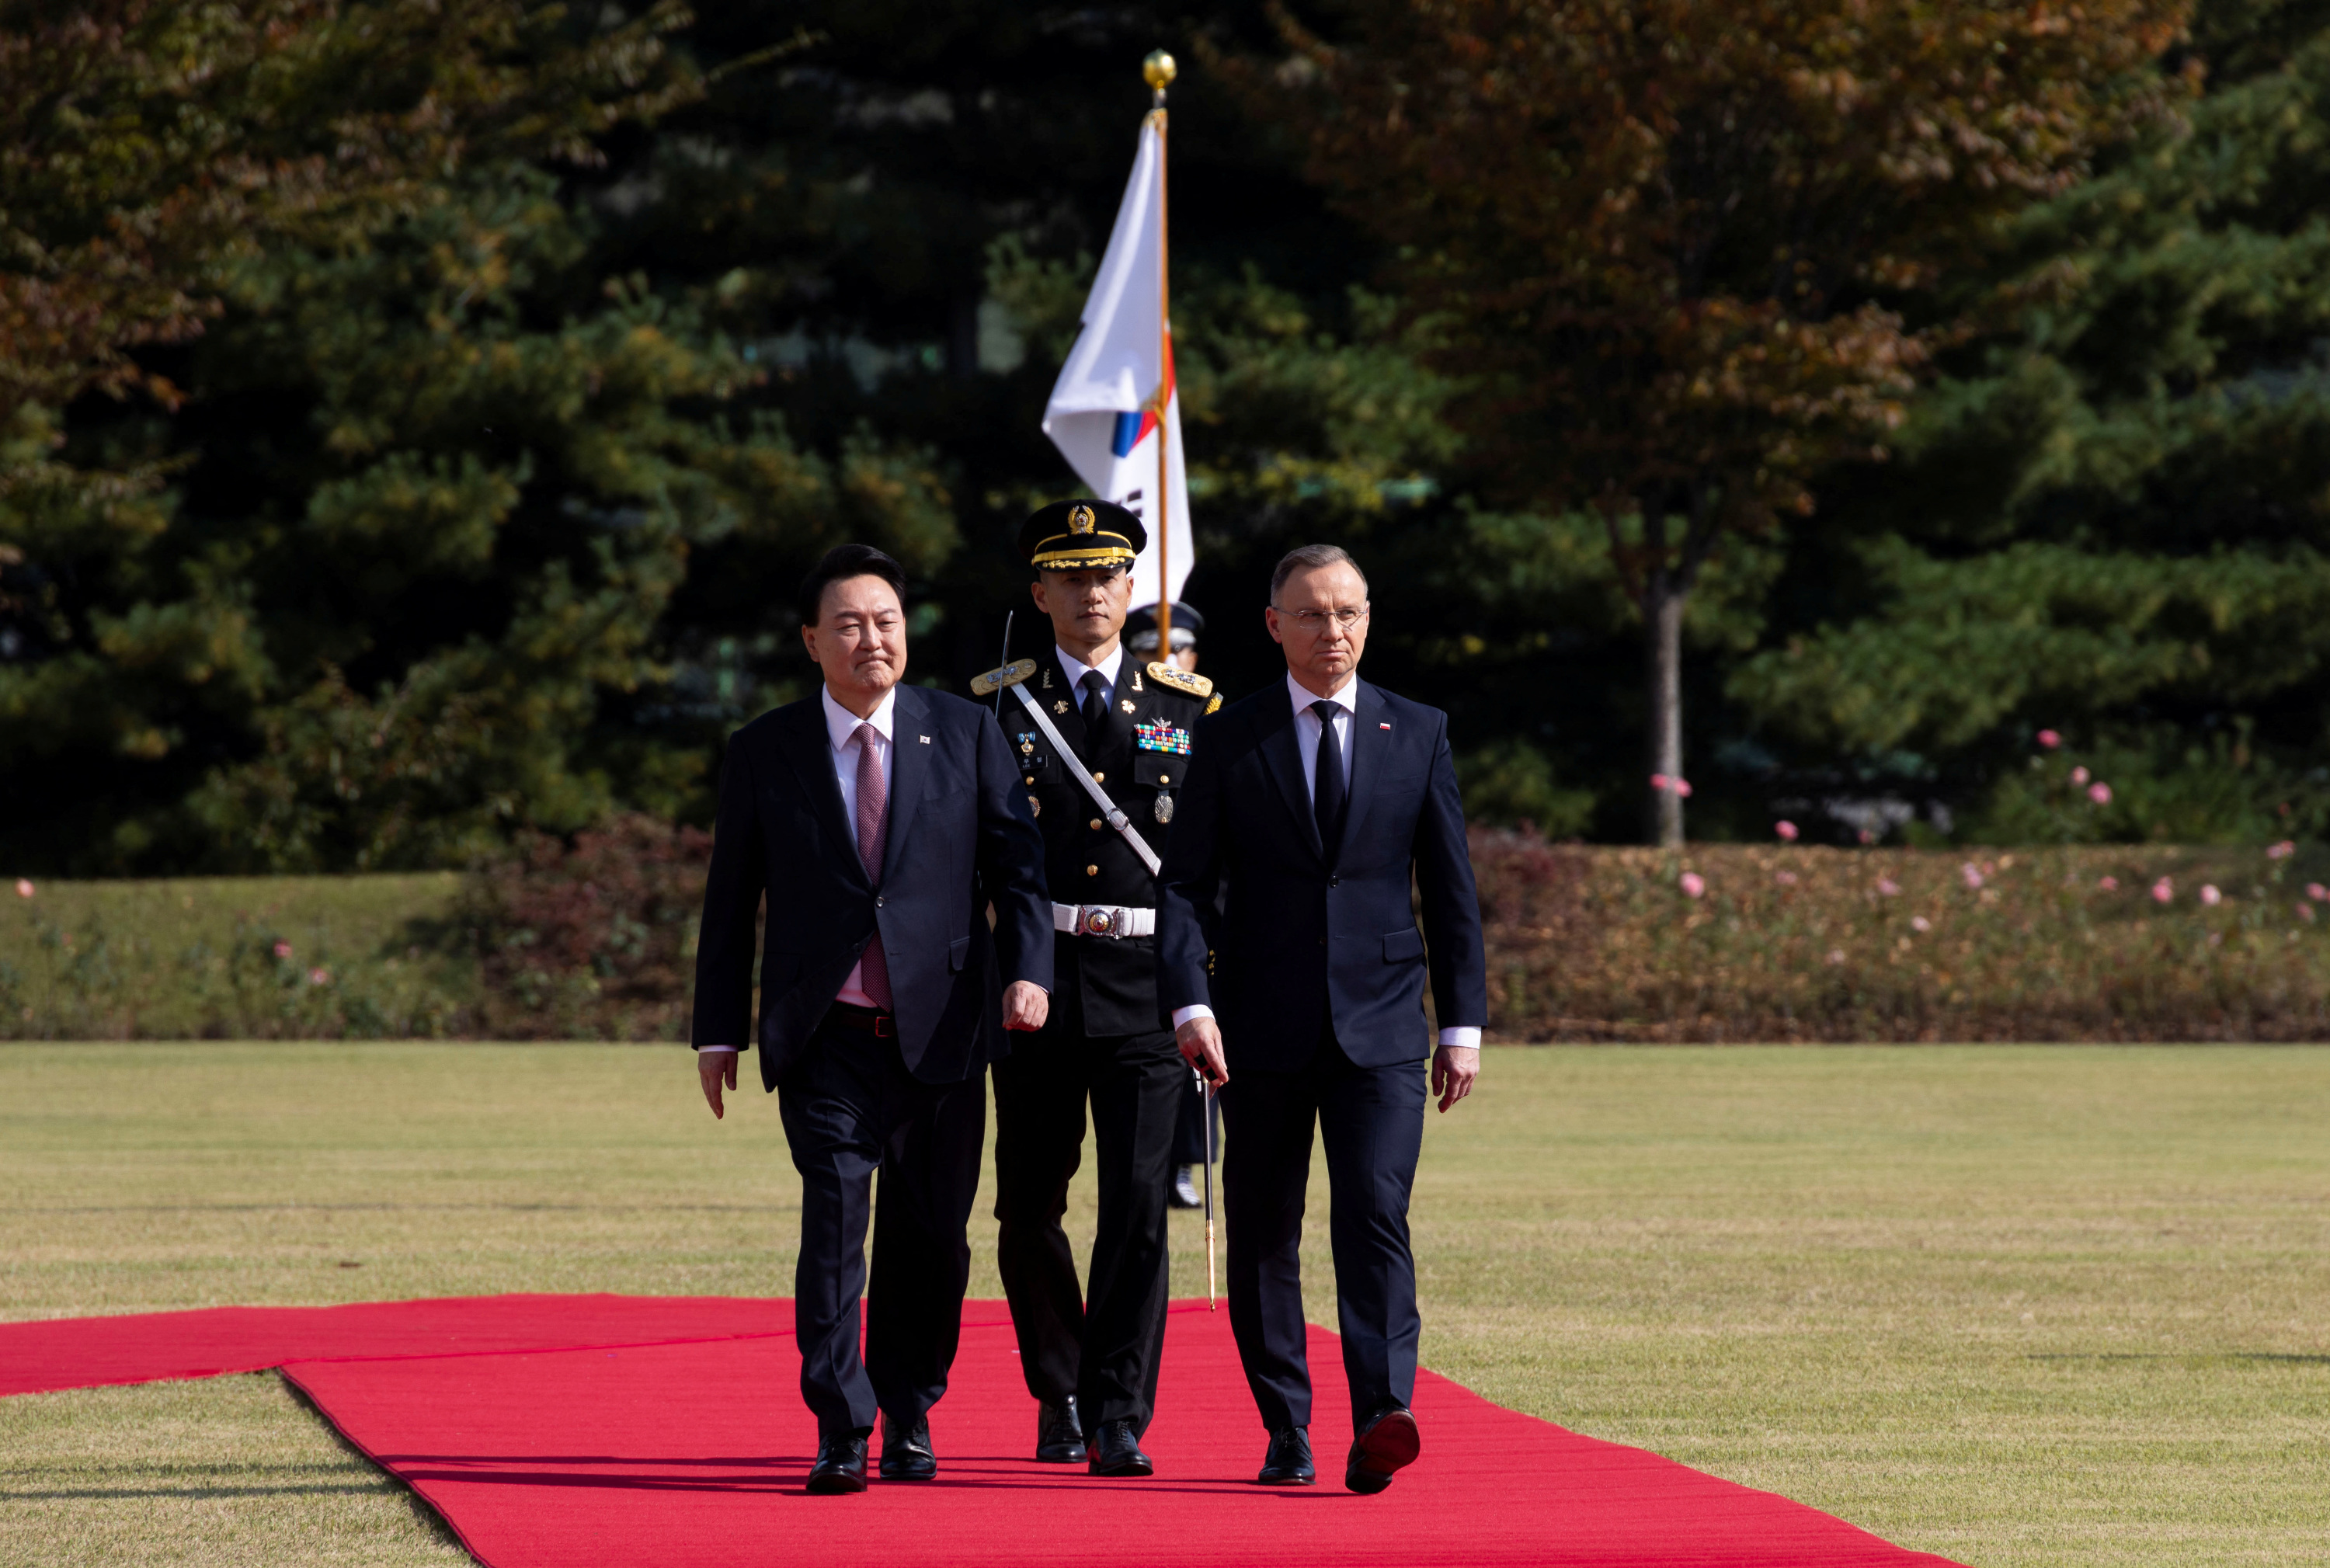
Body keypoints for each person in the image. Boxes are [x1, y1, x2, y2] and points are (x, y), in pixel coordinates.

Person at [690, 543, 1052, 1496]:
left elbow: (1019, 871)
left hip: (943, 1034)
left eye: (885, 621)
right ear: (813, 641)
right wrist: (717, 1030)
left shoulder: (966, 733)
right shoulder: (766, 750)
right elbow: (731, 903)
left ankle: (910, 1409)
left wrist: (1030, 973)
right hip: (826, 1037)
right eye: (847, 625)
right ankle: (841, 1426)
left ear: (906, 632)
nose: (870, 640)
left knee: (933, 1238)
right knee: (834, 1225)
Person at [1156, 542, 1487, 1496]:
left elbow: (1451, 891)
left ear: (1369, 619)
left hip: (1384, 1029)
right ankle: (1286, 1426)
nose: (1333, 631)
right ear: (1274, 626)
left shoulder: (1417, 731)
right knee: (1264, 1229)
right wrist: (1191, 1002)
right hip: (1255, 1028)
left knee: (1376, 1214)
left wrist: (1460, 1026)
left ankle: (1382, 1413)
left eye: (1349, 612)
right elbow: (1184, 890)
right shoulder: (1230, 735)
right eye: (1311, 614)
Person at [988, 502, 1220, 1478]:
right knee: (1029, 1205)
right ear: (1040, 593)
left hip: (1145, 982)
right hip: (1035, 988)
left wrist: (1206, 989)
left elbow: (1206, 865)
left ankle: (1121, 1410)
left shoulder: (1186, 705)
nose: (1092, 593)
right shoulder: (999, 707)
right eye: (1071, 577)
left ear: (1133, 588)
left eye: (1108, 575)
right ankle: (1060, 1391)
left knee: (1134, 1204)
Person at [1128, 600, 1220, 1210]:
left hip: (1185, 924)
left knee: (1199, 1067)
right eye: (1152, 648)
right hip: (1126, 918)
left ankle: (1191, 1162)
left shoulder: (1201, 714)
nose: (1166, 656)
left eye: (1180, 648)